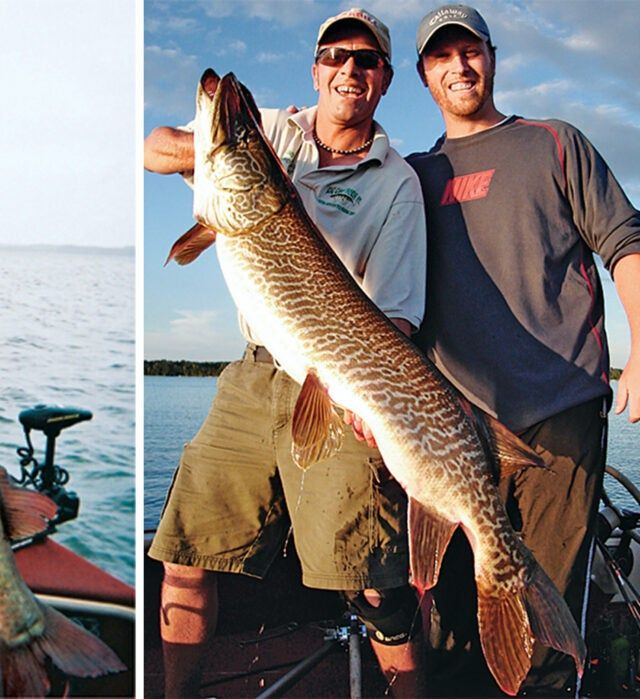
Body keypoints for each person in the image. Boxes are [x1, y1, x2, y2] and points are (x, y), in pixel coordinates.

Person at [145, 8, 428, 697]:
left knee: (373, 583)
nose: (349, 69)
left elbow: (397, 318)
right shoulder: (274, 131)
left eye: (365, 60)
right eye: (335, 56)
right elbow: (156, 148)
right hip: (254, 371)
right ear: (317, 69)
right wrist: (231, 151)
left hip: (340, 375)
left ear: (384, 79)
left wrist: (373, 399)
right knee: (184, 556)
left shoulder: (396, 183)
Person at [406, 4, 640, 695]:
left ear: (492, 57)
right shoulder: (413, 175)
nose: (459, 67)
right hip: (452, 431)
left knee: (539, 614)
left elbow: (626, 243)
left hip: (557, 410)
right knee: (449, 620)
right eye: (442, 57)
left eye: (469, 51)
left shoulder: (553, 143)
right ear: (425, 74)